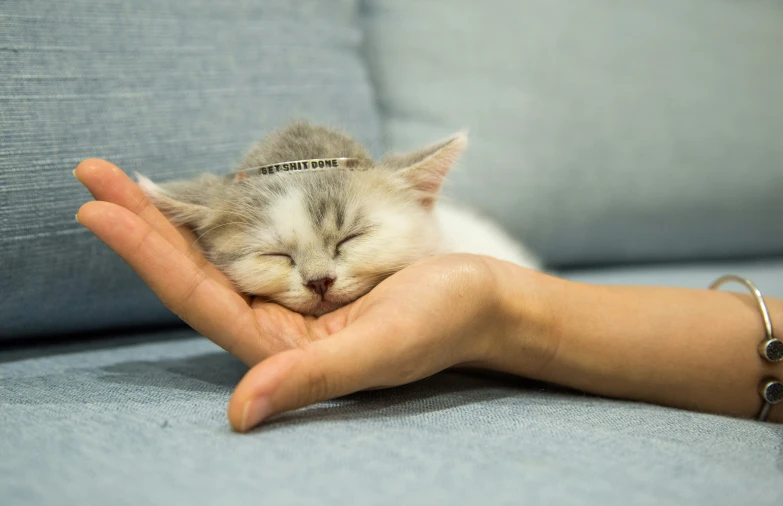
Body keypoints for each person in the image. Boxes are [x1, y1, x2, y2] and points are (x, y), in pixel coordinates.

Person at [73, 158, 783, 431]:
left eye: (345, 246)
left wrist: (489, 310)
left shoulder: (443, 233)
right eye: (276, 257)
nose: (320, 281)